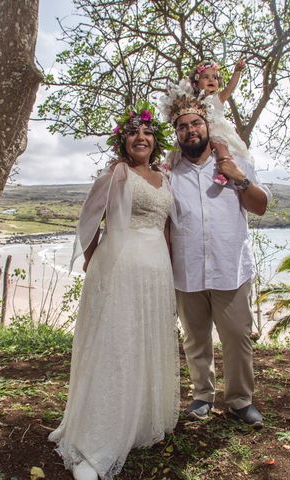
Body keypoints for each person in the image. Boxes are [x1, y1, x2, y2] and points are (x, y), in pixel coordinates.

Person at [48, 101, 179, 480]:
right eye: (134, 132)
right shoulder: (117, 173)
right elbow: (88, 219)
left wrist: (169, 268)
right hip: (119, 267)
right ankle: (97, 438)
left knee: (146, 341)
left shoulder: (165, 178)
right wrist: (94, 260)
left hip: (156, 269)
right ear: (123, 142)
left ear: (156, 141)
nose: (141, 137)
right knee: (117, 344)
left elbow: (167, 228)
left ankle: (139, 422)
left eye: (148, 132)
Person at [160, 90, 271, 427]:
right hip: (187, 270)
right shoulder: (168, 173)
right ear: (176, 134)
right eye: (182, 126)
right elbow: (163, 222)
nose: (190, 130)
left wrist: (238, 176)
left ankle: (239, 401)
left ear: (207, 126)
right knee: (195, 339)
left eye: (195, 123)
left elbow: (261, 206)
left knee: (237, 336)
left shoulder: (233, 161)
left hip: (230, 268)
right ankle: (202, 396)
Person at [190, 58, 250, 185]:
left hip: (217, 131)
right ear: (196, 83)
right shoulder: (194, 102)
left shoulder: (218, 98)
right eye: (206, 77)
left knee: (220, 146)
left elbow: (230, 87)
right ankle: (169, 164)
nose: (211, 80)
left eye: (214, 77)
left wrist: (237, 72)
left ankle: (224, 173)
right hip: (201, 133)